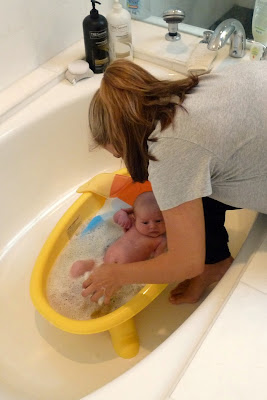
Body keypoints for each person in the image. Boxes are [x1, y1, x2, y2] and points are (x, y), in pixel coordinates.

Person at [75, 59, 267, 306]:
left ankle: (214, 262)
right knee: (192, 184)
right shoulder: (195, 90)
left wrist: (116, 274)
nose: (122, 160)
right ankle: (216, 261)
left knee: (187, 189)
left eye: (119, 153)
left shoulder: (169, 149)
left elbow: (186, 262)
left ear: (125, 137)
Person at [71, 191, 167, 279]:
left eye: (158, 221)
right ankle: (72, 286)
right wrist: (122, 215)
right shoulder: (133, 224)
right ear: (135, 217)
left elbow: (157, 262)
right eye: (145, 223)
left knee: (101, 289)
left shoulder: (161, 240)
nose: (152, 226)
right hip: (101, 261)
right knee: (78, 266)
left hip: (121, 275)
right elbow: (116, 217)